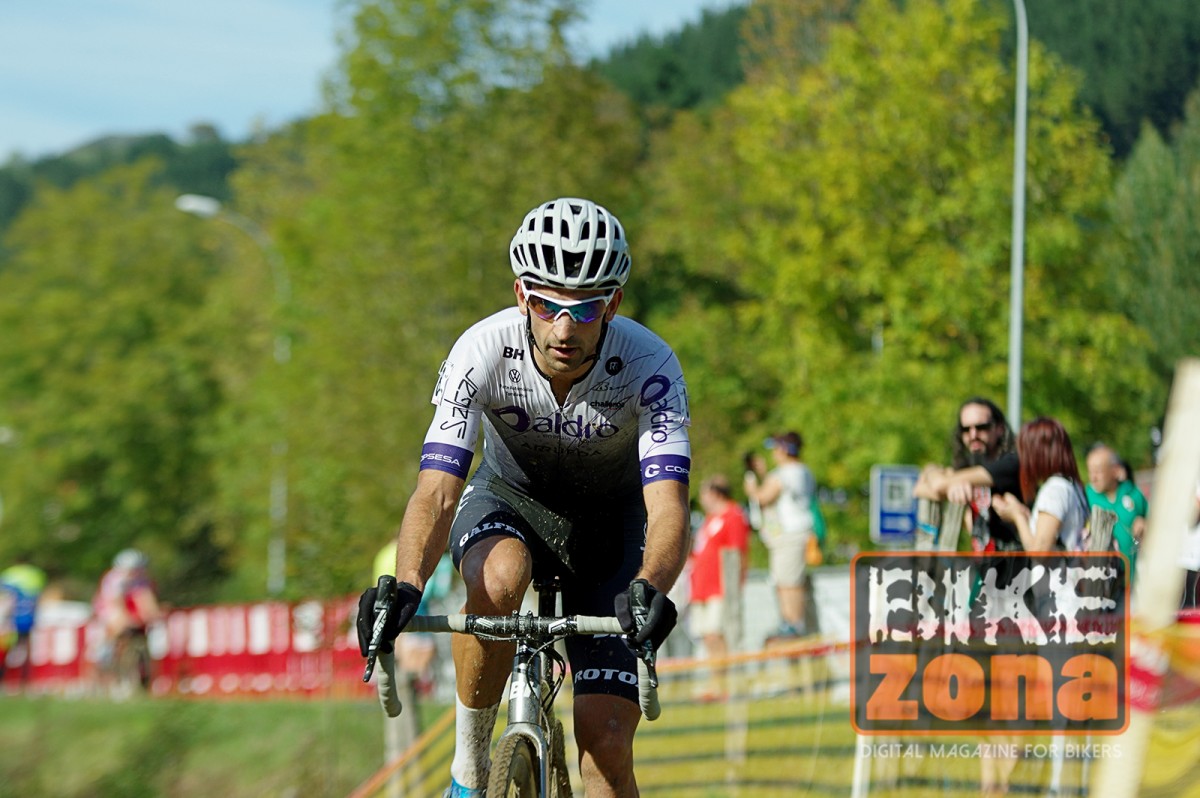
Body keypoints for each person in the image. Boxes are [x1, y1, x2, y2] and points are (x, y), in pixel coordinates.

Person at [356, 198, 691, 798]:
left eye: (585, 307)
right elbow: (435, 491)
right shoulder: (480, 350)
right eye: (546, 304)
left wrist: (652, 585)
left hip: (611, 526)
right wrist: (406, 585)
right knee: (501, 577)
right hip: (510, 500)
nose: (564, 328)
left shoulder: (651, 364)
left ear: (611, 303)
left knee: (606, 745)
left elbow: (667, 505)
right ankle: (468, 767)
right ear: (520, 295)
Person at [913, 397, 1023, 552]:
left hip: (1019, 570)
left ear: (1000, 429)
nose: (973, 435)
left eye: (981, 427)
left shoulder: (1010, 463)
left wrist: (937, 477)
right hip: (986, 570)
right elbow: (919, 489)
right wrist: (932, 470)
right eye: (966, 430)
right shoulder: (972, 467)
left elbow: (938, 485)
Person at [744, 431, 816, 637]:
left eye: (776, 448)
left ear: (785, 450)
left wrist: (751, 487)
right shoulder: (802, 471)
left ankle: (792, 623)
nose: (774, 453)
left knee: (788, 583)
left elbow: (763, 497)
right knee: (787, 580)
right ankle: (791, 622)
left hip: (790, 536)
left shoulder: (786, 473)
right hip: (794, 534)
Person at [992, 418, 1090, 553]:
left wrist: (1017, 517)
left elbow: (1040, 552)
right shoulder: (1073, 486)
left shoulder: (1054, 490)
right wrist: (1023, 514)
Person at [373, 541, 454, 697]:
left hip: (396, 603)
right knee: (419, 649)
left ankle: (406, 685)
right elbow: (437, 591)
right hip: (416, 604)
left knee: (411, 649)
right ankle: (408, 685)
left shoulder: (386, 553)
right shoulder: (438, 560)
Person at [689, 475, 750, 665]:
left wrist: (736, 585)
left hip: (720, 587)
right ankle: (716, 684)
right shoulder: (709, 520)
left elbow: (739, 552)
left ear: (715, 493)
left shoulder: (733, 515)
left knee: (718, 634)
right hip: (701, 588)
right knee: (707, 636)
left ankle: (724, 684)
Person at [93, 548, 162, 691]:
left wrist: (154, 615)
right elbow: (115, 602)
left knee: (140, 630)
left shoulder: (141, 579)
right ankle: (105, 656)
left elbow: (145, 598)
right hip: (109, 607)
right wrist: (125, 618)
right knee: (118, 627)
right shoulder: (114, 579)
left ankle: (139, 672)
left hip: (128, 607)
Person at [1085, 442, 1148, 579]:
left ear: (1115, 470)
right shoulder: (1086, 496)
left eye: (1098, 471)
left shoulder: (1133, 493)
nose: (1093, 477)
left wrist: (1145, 524)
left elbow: (1155, 524)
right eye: (1090, 471)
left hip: (1135, 581)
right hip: (1101, 585)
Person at [0, 560, 47, 688]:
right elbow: (38, 598)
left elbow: (4, 600)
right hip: (27, 619)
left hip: (10, 621)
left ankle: (5, 678)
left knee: (5, 650)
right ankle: (23, 679)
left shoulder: (9, 575)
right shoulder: (34, 574)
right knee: (26, 648)